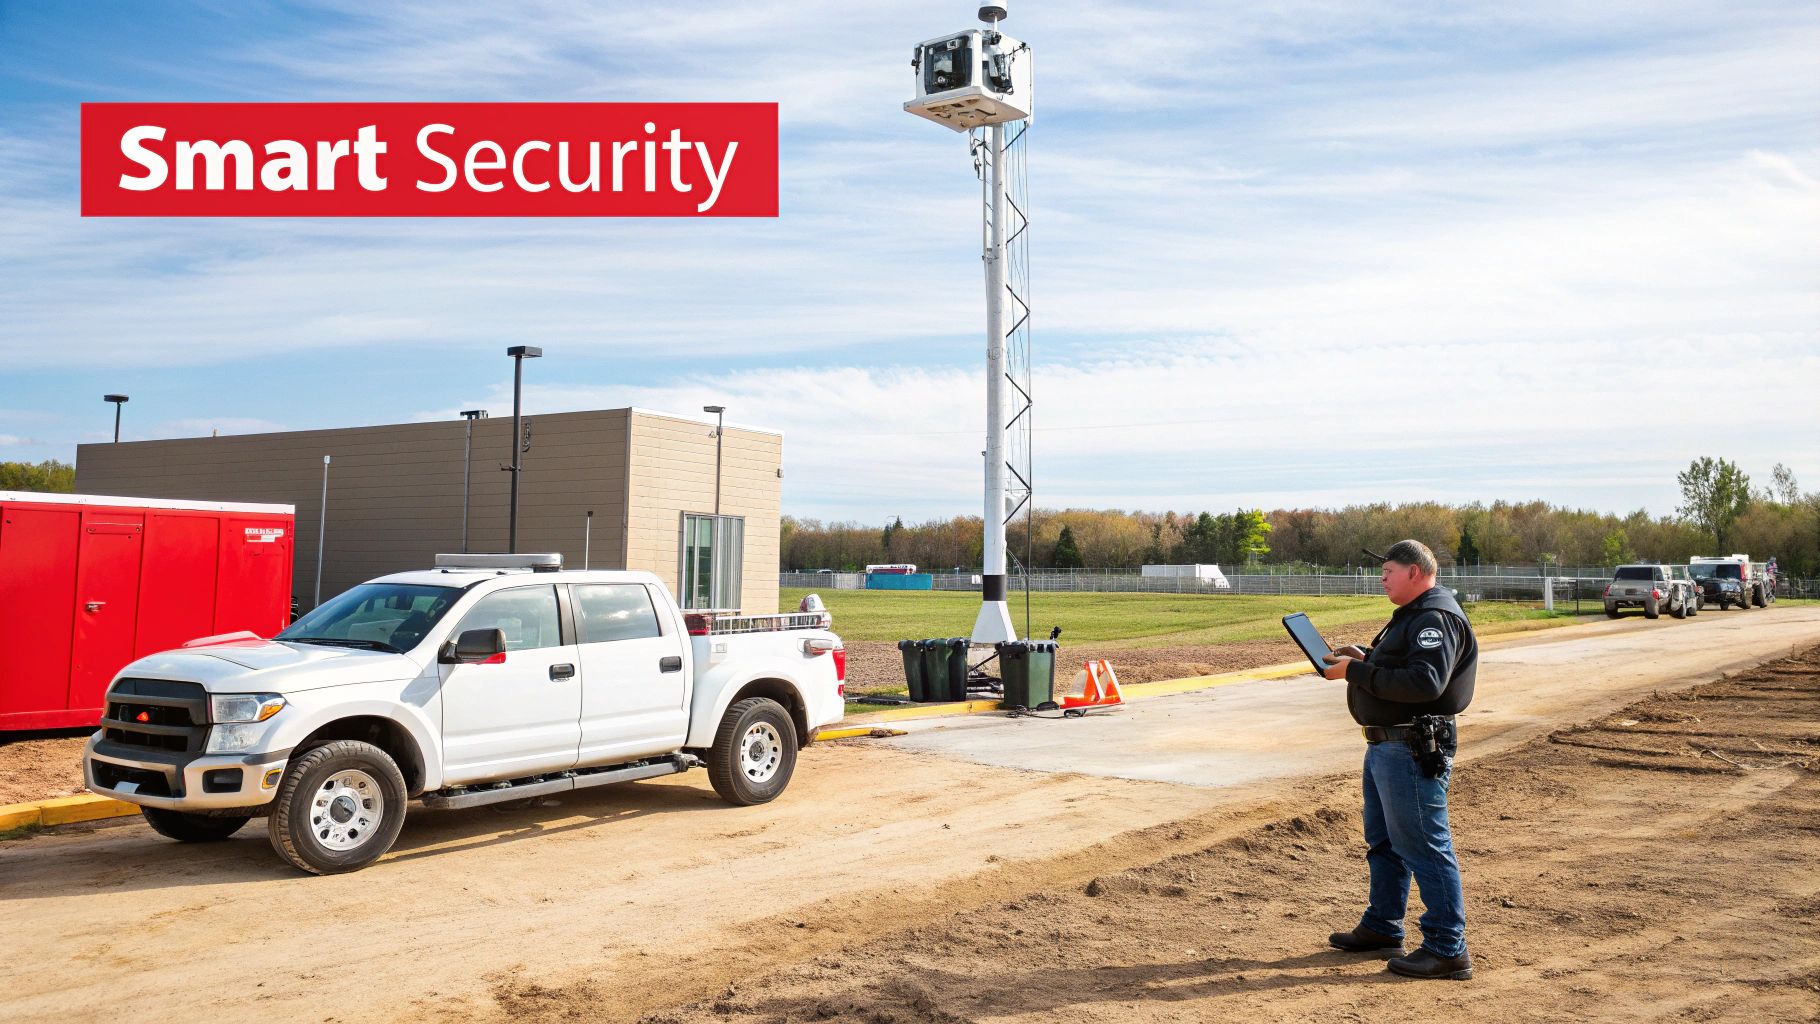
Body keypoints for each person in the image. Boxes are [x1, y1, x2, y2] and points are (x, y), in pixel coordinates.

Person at [1319, 539, 1477, 981]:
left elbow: (1425, 682)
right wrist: (1365, 659)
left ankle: (1448, 948)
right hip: (1387, 746)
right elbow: (1405, 669)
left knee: (1425, 846)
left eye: (1388, 571)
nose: (1381, 579)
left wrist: (1354, 672)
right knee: (1386, 843)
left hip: (1410, 746)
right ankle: (1383, 926)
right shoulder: (1413, 615)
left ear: (1415, 572)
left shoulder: (1434, 617)